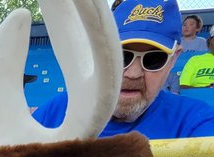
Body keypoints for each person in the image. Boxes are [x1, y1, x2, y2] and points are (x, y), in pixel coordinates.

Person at [33, 0, 214, 138]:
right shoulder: (57, 112)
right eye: (121, 56)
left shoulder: (193, 122)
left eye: (154, 59)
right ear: (102, 52)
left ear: (173, 59)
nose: (133, 73)